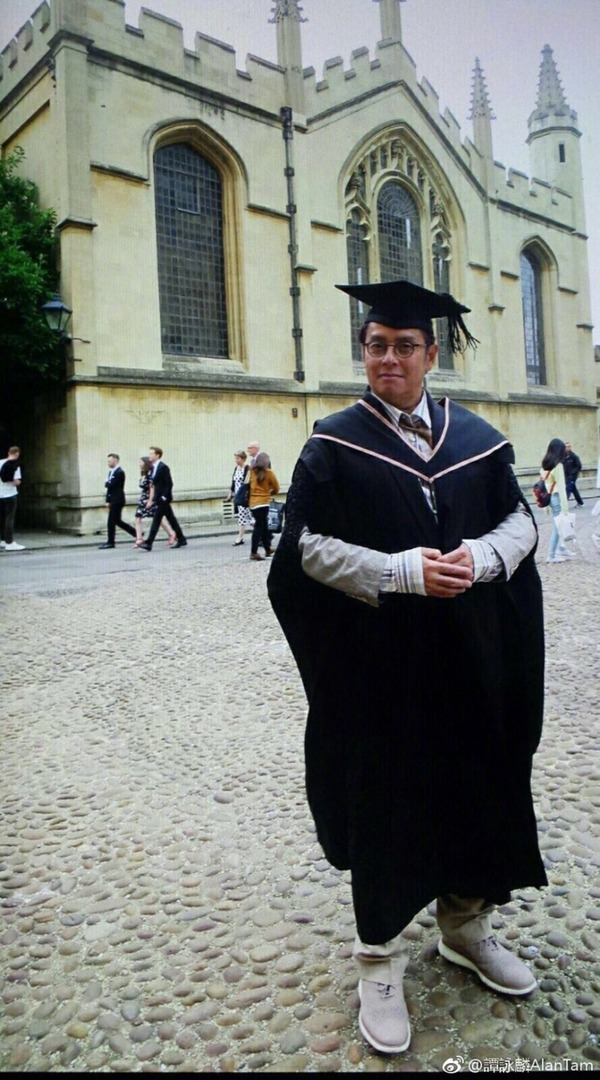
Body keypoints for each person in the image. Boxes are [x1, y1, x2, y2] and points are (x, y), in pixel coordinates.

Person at [268, 279, 547, 1056]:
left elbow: (522, 520)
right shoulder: (333, 444)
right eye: (376, 344)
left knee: (477, 783)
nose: (388, 357)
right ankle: (379, 963)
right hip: (380, 674)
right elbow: (302, 549)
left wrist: (484, 557)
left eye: (404, 345)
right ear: (364, 352)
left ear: (431, 353)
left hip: (470, 661)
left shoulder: (478, 439)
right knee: (386, 801)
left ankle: (466, 926)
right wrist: (397, 571)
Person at [139, 446, 187, 551]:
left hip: (163, 499)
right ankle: (181, 538)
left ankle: (149, 543)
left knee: (156, 520)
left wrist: (164, 496)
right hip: (158, 498)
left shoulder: (163, 467)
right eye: (149, 453)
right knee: (171, 519)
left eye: (151, 454)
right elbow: (153, 484)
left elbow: (169, 483)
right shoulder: (153, 468)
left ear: (157, 455)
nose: (149, 455)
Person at [541, 438, 574, 564]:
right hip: (556, 498)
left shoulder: (545, 464)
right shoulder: (558, 466)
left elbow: (545, 485)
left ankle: (561, 548)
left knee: (558, 525)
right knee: (558, 527)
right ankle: (551, 555)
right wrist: (565, 508)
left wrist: (546, 507)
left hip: (549, 498)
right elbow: (561, 488)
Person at [133, 456, 176, 548]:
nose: (139, 464)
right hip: (143, 498)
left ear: (145, 463)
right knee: (138, 517)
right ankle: (139, 538)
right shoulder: (143, 474)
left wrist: (150, 500)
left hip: (150, 498)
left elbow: (152, 488)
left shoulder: (150, 473)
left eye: (141, 462)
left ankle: (171, 533)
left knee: (157, 518)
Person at [99, 453, 137, 549]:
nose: (108, 463)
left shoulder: (120, 472)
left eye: (110, 461)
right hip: (113, 499)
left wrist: (107, 483)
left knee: (111, 522)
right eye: (108, 461)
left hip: (118, 500)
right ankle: (136, 533)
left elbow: (112, 485)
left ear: (115, 461)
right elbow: (109, 488)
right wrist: (107, 500)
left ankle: (111, 542)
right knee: (117, 521)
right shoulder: (111, 472)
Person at [249, 451, 279, 561]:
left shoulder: (252, 471)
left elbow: (249, 485)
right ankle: (253, 552)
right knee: (259, 527)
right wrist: (269, 493)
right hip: (263, 503)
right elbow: (276, 487)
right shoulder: (268, 473)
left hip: (253, 503)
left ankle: (267, 548)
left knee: (264, 526)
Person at [0, 446, 25, 551]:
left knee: (1, 518)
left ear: (8, 452)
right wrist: (19, 481)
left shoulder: (0, 463)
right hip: (10, 494)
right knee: (9, 519)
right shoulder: (15, 465)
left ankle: (2, 540)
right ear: (16, 454)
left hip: (0, 494)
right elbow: (16, 482)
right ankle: (9, 543)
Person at [226, 450, 254, 546]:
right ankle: (240, 537)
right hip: (238, 497)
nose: (236, 460)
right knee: (244, 517)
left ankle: (263, 534)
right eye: (235, 458)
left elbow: (247, 483)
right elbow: (233, 482)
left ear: (243, 459)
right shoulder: (236, 468)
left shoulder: (247, 468)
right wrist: (230, 493)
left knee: (249, 518)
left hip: (245, 497)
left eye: (238, 458)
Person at [563, 442, 584, 506]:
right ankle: (580, 502)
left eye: (569, 446)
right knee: (573, 489)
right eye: (566, 447)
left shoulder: (574, 456)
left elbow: (579, 466)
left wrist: (573, 472)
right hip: (565, 476)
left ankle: (564, 503)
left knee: (568, 489)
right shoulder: (562, 456)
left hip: (572, 476)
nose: (567, 448)